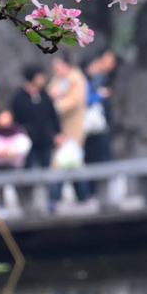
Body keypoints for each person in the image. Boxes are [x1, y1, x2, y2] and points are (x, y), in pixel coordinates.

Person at [9, 65, 60, 210]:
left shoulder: (44, 95)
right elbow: (16, 120)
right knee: (28, 172)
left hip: (45, 140)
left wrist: (57, 132)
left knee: (48, 171)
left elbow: (53, 115)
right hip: (27, 142)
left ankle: (51, 202)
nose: (42, 79)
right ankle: (27, 204)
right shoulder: (19, 97)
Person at [49, 55, 90, 202]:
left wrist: (55, 105)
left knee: (71, 158)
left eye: (58, 66)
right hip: (59, 126)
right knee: (64, 161)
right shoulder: (57, 79)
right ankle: (76, 196)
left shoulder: (76, 78)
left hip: (73, 125)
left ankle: (80, 195)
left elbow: (74, 100)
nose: (56, 69)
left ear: (67, 65)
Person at [0, 109, 32, 211]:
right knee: (0, 187)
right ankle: (1, 206)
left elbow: (23, 146)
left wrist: (10, 152)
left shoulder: (19, 132)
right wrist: (0, 152)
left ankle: (25, 208)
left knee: (19, 186)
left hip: (15, 165)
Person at [81, 47, 117, 167]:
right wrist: (100, 95)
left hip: (101, 125)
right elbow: (85, 99)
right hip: (92, 126)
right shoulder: (88, 80)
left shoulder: (104, 77)